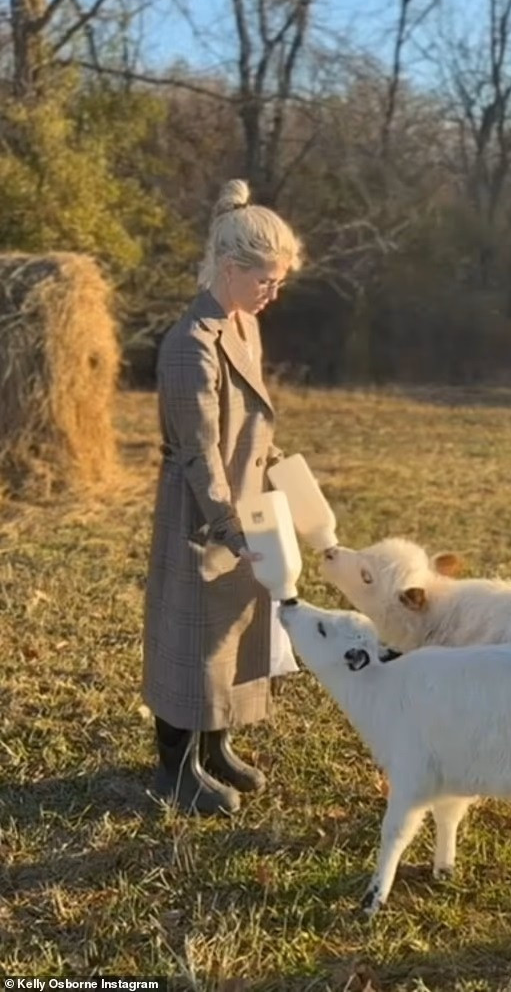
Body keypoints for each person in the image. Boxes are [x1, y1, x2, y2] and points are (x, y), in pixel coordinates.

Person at [142, 178, 303, 816]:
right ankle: (176, 768)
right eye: (266, 280)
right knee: (189, 638)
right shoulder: (189, 346)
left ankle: (216, 746)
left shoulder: (243, 324)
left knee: (230, 633)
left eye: (280, 281)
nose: (274, 293)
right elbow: (196, 451)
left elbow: (251, 422)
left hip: (246, 500)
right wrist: (230, 527)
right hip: (202, 512)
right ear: (231, 269)